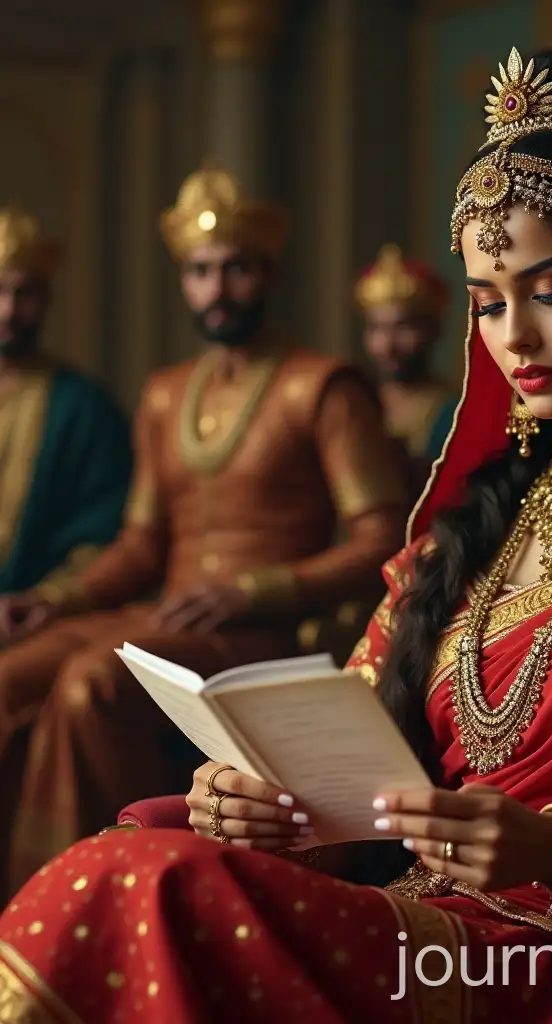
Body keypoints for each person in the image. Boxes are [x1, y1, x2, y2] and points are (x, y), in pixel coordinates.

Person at [0, 50, 552, 1023]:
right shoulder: (478, 524)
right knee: (133, 866)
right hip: (416, 930)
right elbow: (344, 744)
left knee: (150, 888)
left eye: (551, 289)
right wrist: (254, 798)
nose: (513, 335)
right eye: (487, 300)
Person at [0, 167, 407, 899]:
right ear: (183, 282)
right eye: (200, 272)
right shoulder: (164, 393)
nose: (217, 289)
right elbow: (139, 548)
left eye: (236, 269)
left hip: (266, 633)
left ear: (271, 275)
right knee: (11, 670)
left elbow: (384, 539)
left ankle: (92, 892)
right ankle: (15, 898)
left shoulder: (321, 386)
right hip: (167, 617)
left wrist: (258, 589)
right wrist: (54, 600)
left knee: (90, 684)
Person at [0, 205, 131, 619]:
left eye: (24, 293)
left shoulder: (82, 408)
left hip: (34, 619)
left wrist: (47, 599)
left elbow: (106, 536)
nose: (8, 311)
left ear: (46, 298)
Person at [355, 244, 457, 479]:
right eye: (376, 329)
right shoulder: (356, 402)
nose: (387, 345)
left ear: (434, 330)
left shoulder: (453, 414)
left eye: (403, 328)